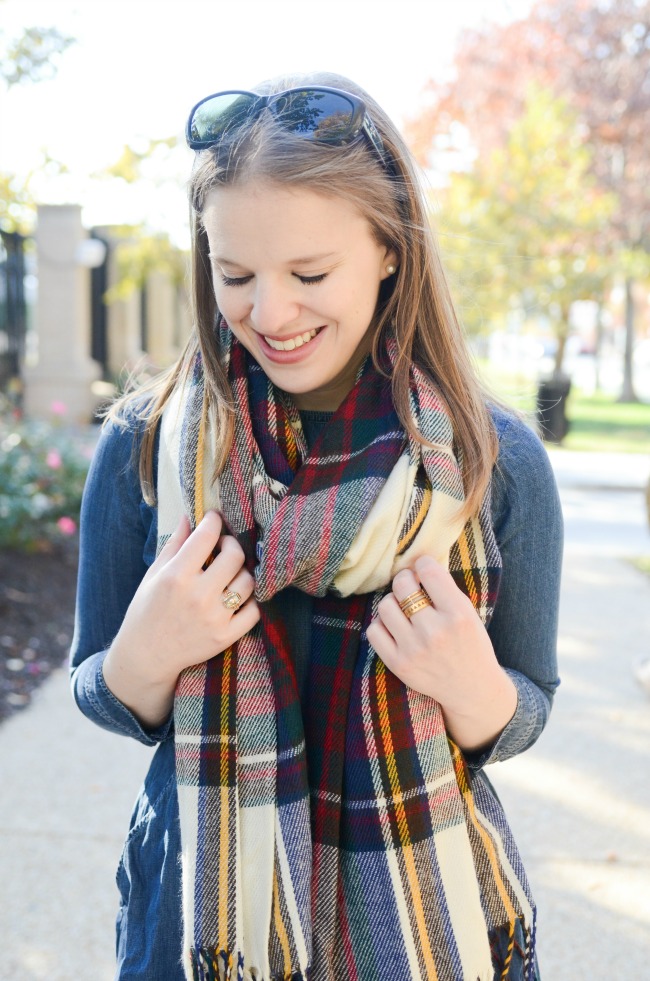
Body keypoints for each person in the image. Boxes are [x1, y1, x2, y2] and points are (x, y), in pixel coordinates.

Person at [70, 72, 563, 981]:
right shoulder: (146, 444)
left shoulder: (498, 462)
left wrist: (470, 683)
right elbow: (101, 688)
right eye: (234, 274)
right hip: (199, 918)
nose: (270, 312)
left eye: (308, 273)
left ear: (388, 250)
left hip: (425, 907)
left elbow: (522, 710)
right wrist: (148, 650)